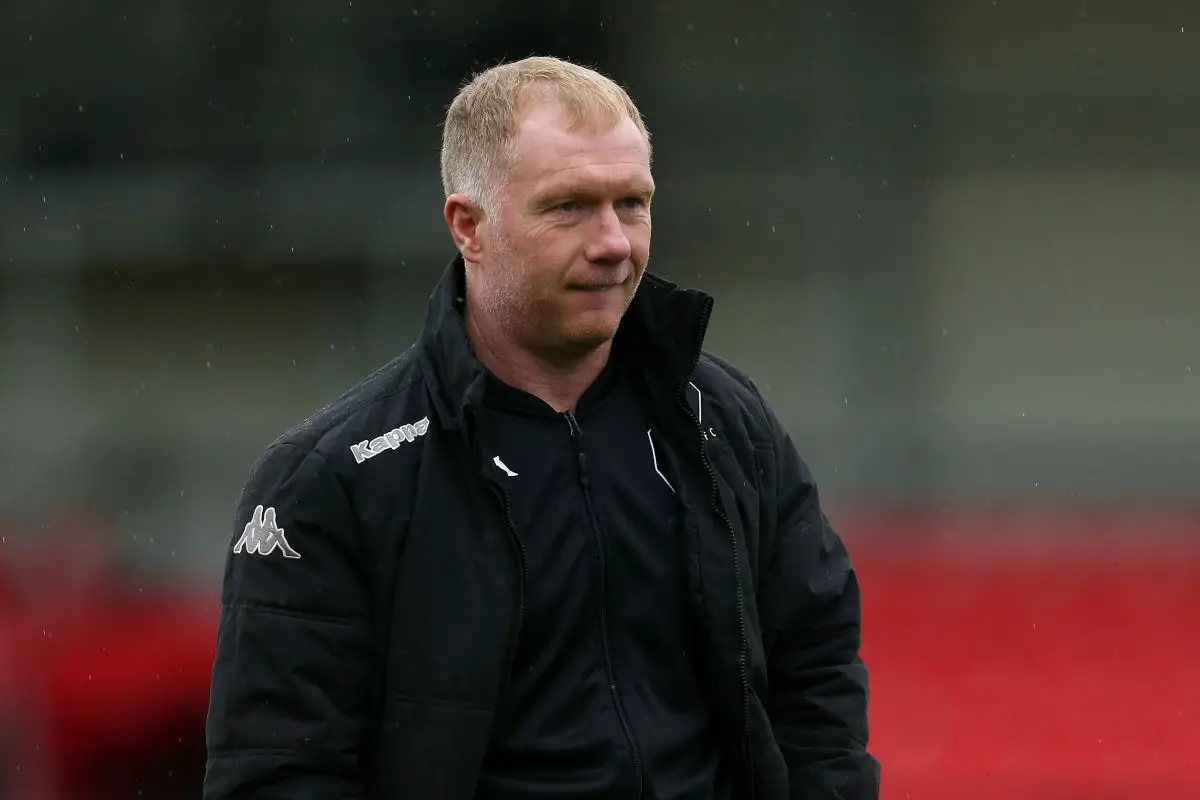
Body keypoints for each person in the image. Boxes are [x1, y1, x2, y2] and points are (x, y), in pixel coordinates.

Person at [203, 56, 880, 800]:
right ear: (470, 226)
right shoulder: (334, 479)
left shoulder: (724, 423)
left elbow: (815, 671)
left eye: (633, 203)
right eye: (569, 207)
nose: (614, 242)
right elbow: (280, 773)